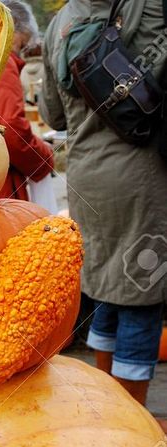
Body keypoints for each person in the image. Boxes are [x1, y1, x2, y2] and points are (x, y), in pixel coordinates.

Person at [40, 0, 167, 409]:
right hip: (141, 177)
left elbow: (54, 116)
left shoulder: (60, 22)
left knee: (105, 289)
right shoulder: (150, 8)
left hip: (85, 178)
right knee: (141, 300)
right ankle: (133, 421)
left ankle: (105, 408)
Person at [0, 0, 54, 201]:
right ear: (17, 31)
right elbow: (8, 128)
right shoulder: (1, 62)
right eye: (25, 41)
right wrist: (43, 157)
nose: (24, 48)